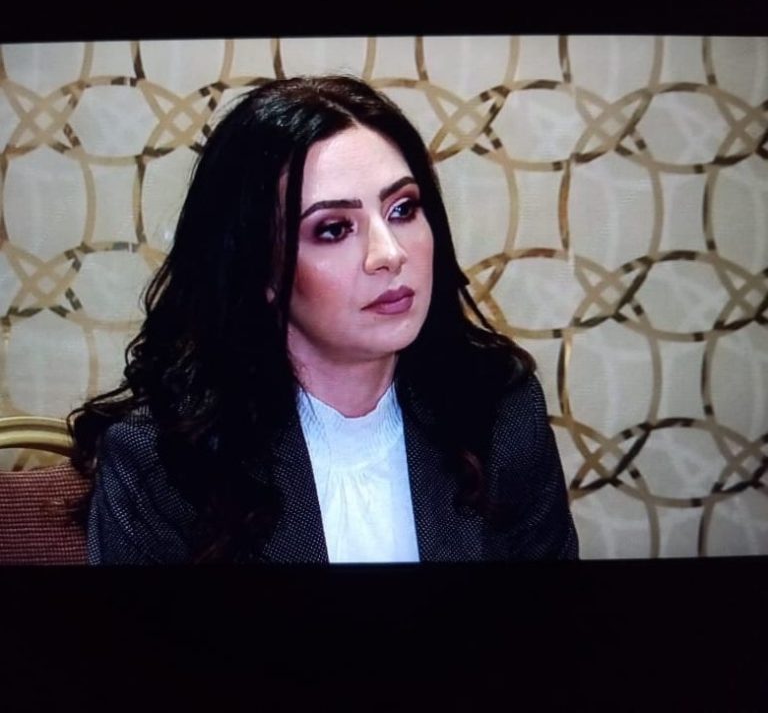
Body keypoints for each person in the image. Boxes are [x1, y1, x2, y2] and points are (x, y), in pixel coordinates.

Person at [68, 75, 579, 564]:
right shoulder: (160, 459)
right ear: (259, 267)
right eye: (334, 229)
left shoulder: (500, 408)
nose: (389, 254)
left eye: (402, 209)